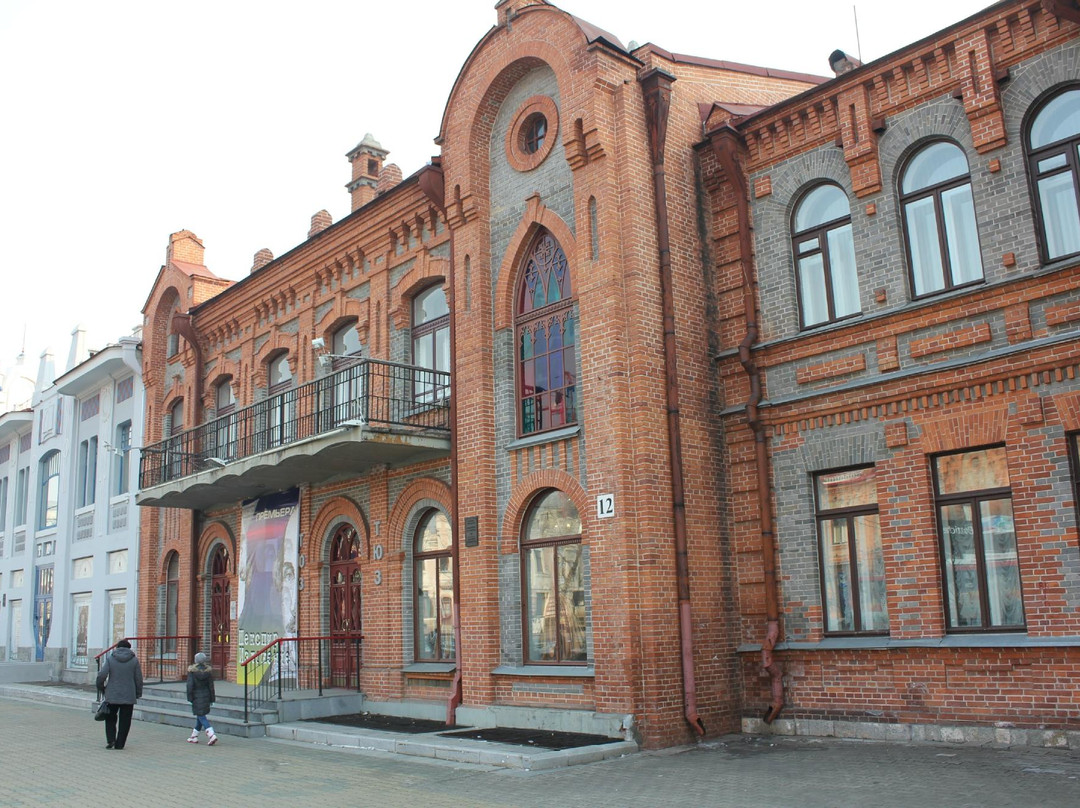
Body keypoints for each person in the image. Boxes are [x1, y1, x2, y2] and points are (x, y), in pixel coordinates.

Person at [95, 638, 143, 750]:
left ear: (117, 648)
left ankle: (111, 739)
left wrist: (101, 687)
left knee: (110, 718)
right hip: (128, 694)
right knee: (125, 721)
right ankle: (120, 744)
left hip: (112, 694)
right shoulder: (134, 660)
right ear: (129, 648)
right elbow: (138, 679)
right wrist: (138, 693)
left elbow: (102, 675)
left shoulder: (111, 659)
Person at [185, 652, 218, 745]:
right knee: (200, 716)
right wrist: (212, 699)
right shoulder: (208, 672)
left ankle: (211, 734)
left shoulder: (192, 672)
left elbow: (190, 686)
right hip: (206, 696)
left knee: (201, 716)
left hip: (196, 697)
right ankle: (194, 736)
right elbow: (211, 686)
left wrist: (189, 698)